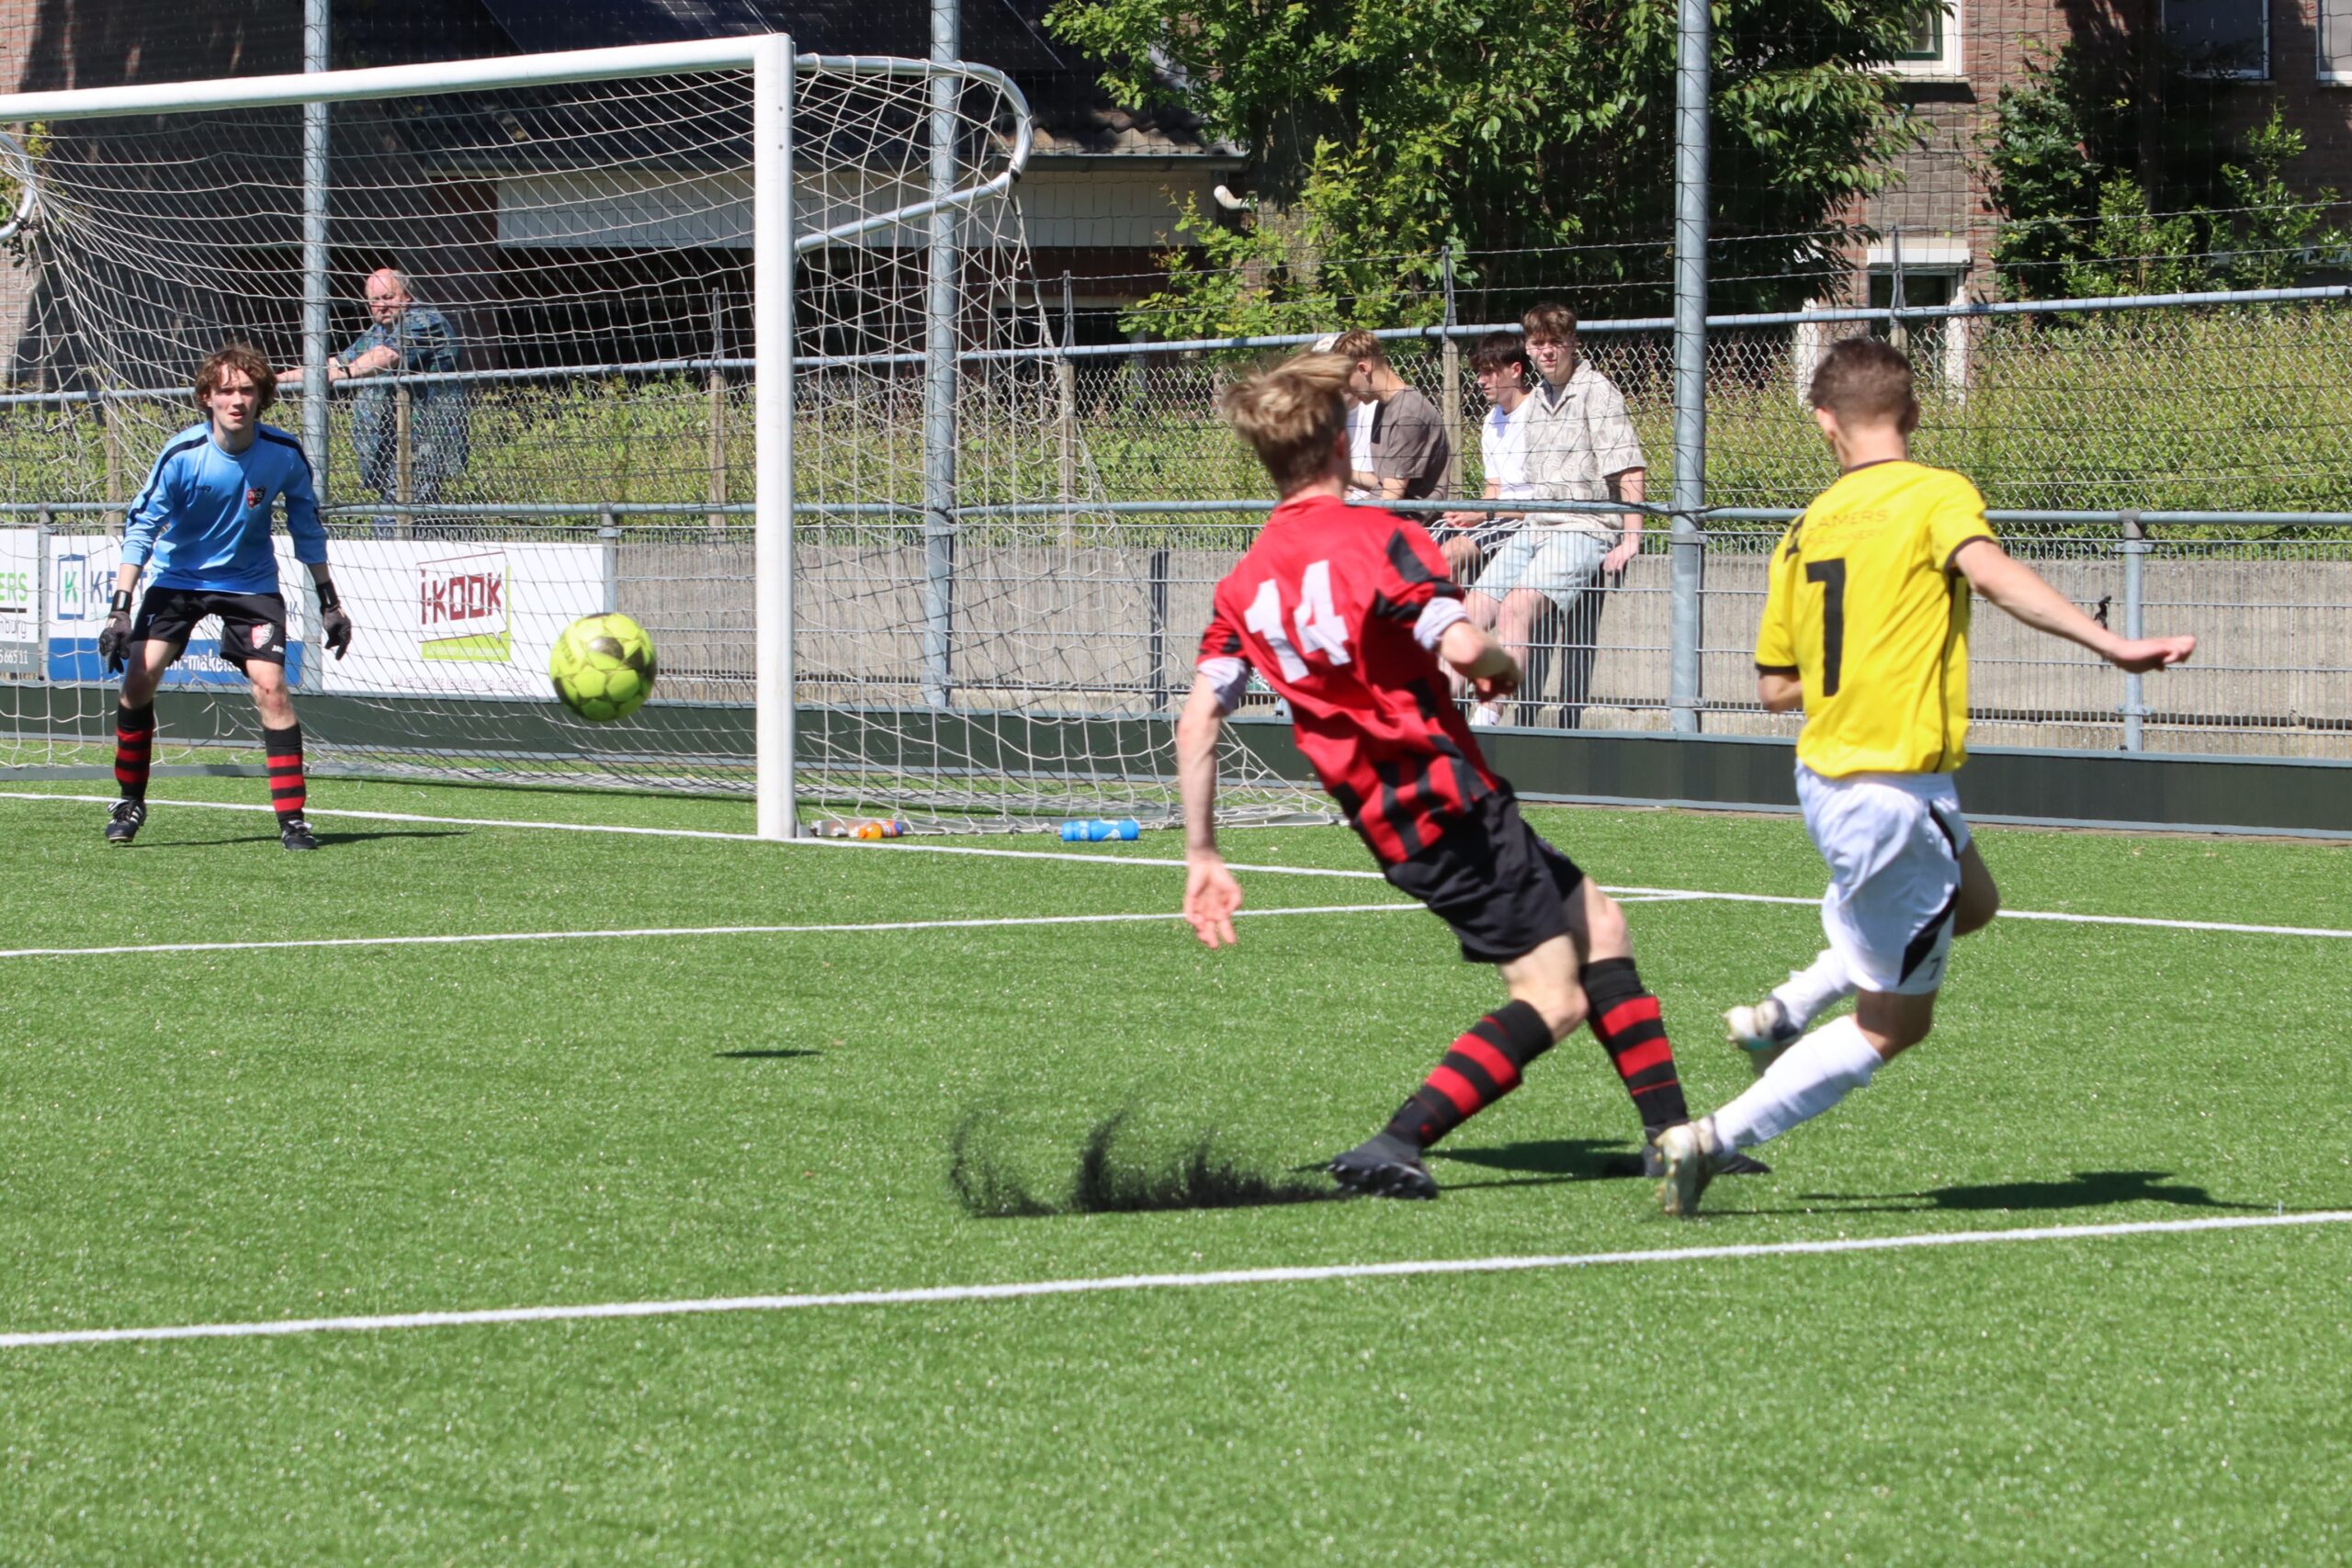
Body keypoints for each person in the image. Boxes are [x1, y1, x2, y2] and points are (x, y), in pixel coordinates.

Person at [1175, 351, 1763, 1198]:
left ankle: (1671, 1136)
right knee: (1554, 997)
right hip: (1443, 800)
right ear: (1342, 446)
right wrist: (1500, 665)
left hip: (1392, 811)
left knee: (1601, 926)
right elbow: (1462, 644)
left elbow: (1198, 719)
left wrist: (1203, 853)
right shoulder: (1382, 538)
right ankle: (1394, 1142)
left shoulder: (1244, 581)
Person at [1654, 337, 2195, 1217]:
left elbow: (1774, 687)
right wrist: (2111, 644)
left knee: (1973, 902)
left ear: (1823, 423)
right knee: (1893, 1025)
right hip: (1894, 791)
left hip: (1831, 778)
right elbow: (1994, 574)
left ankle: (1785, 1008)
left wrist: (1858, 665)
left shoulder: (1805, 527)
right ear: (1911, 413)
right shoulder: (1936, 493)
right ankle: (1711, 1138)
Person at [97, 343, 355, 852]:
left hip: (250, 584)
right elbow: (142, 528)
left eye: (247, 390)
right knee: (138, 679)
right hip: (179, 580)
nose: (237, 400)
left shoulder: (283, 454)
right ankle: (129, 801)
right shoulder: (182, 455)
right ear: (206, 398)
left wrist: (331, 602)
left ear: (262, 397)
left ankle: (293, 820)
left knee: (272, 688)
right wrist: (120, 609)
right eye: (226, 391)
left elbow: (307, 527)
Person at [1464, 301, 1644, 728]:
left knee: (1515, 608)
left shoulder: (1597, 391)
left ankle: (1487, 721)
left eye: (1555, 342)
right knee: (1470, 612)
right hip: (1535, 525)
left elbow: (1629, 467)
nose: (1546, 351)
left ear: (1572, 343)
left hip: (1584, 525)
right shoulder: (1538, 397)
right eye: (1538, 343)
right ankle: (1428, 715)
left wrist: (1631, 539)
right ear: (1527, 348)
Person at [279, 267, 467, 536]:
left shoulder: (425, 320)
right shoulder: (377, 332)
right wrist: (274, 380)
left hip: (422, 444)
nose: (382, 306)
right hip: (388, 446)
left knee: (398, 521)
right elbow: (336, 364)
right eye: (374, 300)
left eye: (388, 297)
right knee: (405, 519)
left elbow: (385, 357)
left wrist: (345, 373)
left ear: (407, 296)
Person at [1434, 331, 1536, 583]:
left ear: (1516, 370)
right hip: (1498, 514)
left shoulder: (1540, 413)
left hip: (1529, 517)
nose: (1481, 381)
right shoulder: (1491, 419)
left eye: (1489, 372)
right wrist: (1469, 512)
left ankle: (1455, 610)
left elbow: (1542, 501)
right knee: (1423, 545)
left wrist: (1484, 514)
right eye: (1479, 373)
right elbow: (1494, 489)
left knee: (1448, 555)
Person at [1329, 329, 1451, 511]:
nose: (1344, 389)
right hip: (1383, 509)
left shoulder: (1407, 413)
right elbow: (1383, 483)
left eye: (1345, 380)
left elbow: (1391, 499)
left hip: (1409, 520)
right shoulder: (1385, 405)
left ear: (1363, 369)